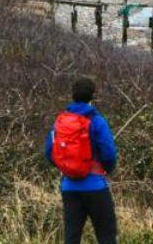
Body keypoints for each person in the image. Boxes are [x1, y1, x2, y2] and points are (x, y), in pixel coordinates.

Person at [45, 76, 118, 244]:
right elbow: (109, 153)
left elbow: (49, 151)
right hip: (95, 186)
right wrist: (107, 169)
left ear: (73, 95)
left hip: (69, 187)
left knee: (71, 237)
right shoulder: (97, 121)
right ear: (93, 96)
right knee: (106, 235)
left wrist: (66, 168)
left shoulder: (60, 121)